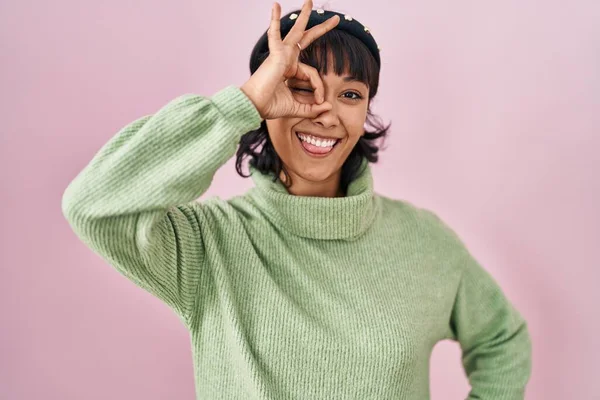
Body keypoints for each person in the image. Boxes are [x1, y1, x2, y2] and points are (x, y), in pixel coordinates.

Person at [61, 1, 532, 398]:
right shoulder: (207, 244)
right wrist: (240, 105)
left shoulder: (424, 240)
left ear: (366, 111)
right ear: (266, 100)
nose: (324, 111)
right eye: (301, 86)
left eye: (350, 93)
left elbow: (501, 339)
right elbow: (93, 205)